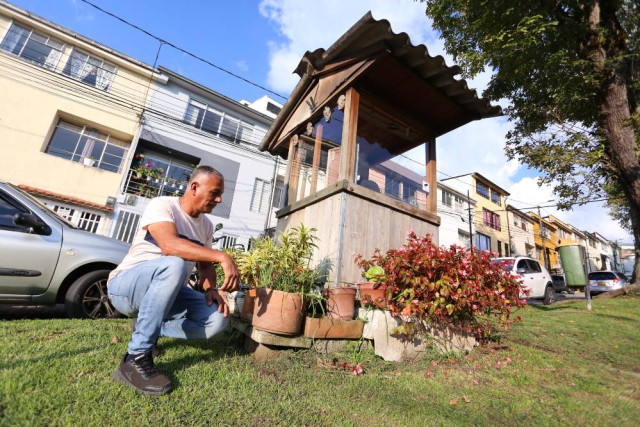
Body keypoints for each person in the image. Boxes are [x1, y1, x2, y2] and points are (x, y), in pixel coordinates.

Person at [107, 165, 239, 396]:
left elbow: (205, 266)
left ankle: (147, 327)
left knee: (217, 321)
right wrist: (222, 256)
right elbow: (169, 246)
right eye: (215, 192)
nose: (219, 199)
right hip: (125, 288)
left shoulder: (206, 226)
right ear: (195, 187)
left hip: (169, 290)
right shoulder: (164, 205)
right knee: (175, 262)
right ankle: (135, 357)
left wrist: (210, 289)